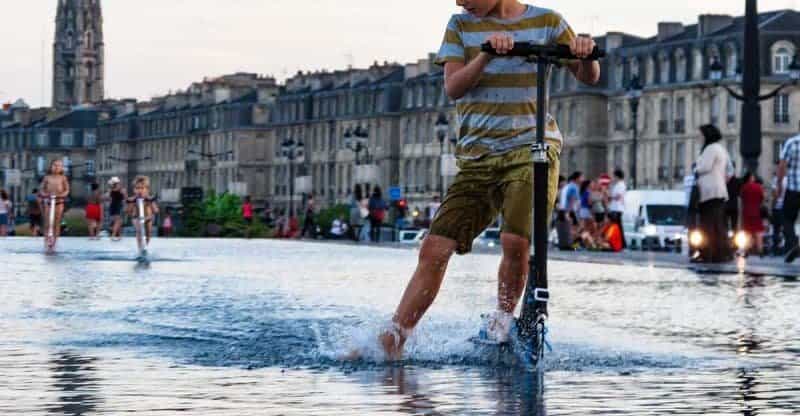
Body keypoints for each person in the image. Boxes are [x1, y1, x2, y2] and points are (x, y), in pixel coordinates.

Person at [364, 0, 600, 360]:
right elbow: (454, 87)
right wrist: (486, 55)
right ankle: (396, 335)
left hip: (530, 148)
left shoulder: (548, 22)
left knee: (514, 239)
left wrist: (584, 52)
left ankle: (503, 322)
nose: (459, 1)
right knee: (434, 248)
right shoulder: (460, 26)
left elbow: (589, 76)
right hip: (477, 157)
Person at [695, 124, 731, 263]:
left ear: (706, 135)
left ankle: (708, 253)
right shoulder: (720, 148)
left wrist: (695, 168)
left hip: (710, 191)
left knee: (708, 224)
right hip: (718, 190)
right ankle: (719, 254)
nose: (699, 138)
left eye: (700, 135)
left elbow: (705, 167)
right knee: (718, 225)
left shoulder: (710, 149)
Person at [776, 129, 800, 263]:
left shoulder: (791, 142)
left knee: (787, 218)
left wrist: (779, 184)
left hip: (794, 189)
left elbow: (782, 165)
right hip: (793, 189)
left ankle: (792, 244)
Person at [39, 159, 70, 251]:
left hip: (59, 202)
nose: (56, 167)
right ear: (51, 166)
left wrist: (61, 195)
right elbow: (41, 189)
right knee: (47, 223)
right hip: (49, 202)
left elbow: (67, 190)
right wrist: (45, 194)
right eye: (54, 165)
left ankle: (55, 242)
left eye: (59, 165)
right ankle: (46, 241)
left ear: (61, 168)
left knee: (57, 223)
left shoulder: (63, 178)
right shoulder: (47, 177)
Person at [125, 175, 159, 244]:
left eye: (142, 188)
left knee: (148, 233)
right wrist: (129, 205)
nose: (140, 190)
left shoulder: (149, 199)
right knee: (139, 230)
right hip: (136, 217)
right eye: (137, 188)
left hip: (148, 218)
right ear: (134, 190)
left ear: (147, 190)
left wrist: (151, 203)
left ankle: (146, 244)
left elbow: (156, 210)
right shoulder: (133, 199)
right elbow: (128, 212)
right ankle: (140, 246)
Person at [740, 172, 765, 255]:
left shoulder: (744, 187)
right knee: (758, 231)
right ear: (751, 178)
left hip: (747, 211)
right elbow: (762, 198)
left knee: (747, 232)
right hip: (757, 211)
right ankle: (760, 249)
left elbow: (742, 198)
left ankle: (746, 249)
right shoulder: (759, 187)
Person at [608, 169, 627, 249]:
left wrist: (610, 197)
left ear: (617, 176)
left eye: (614, 176)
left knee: (617, 227)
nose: (613, 178)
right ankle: (620, 243)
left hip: (617, 208)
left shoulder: (621, 185)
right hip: (615, 208)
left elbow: (618, 196)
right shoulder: (617, 184)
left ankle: (621, 244)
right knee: (617, 226)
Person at [770, 167, 787, 255]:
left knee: (776, 229)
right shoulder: (787, 180)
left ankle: (775, 249)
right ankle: (786, 248)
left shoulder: (776, 180)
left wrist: (773, 205)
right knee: (786, 228)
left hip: (777, 208)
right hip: (786, 208)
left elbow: (775, 194)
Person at [107, 177, 126, 241]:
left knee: (119, 221)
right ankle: (113, 235)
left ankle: (119, 236)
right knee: (118, 221)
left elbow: (109, 198)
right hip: (118, 206)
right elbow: (125, 197)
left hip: (113, 205)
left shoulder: (111, 190)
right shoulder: (121, 189)